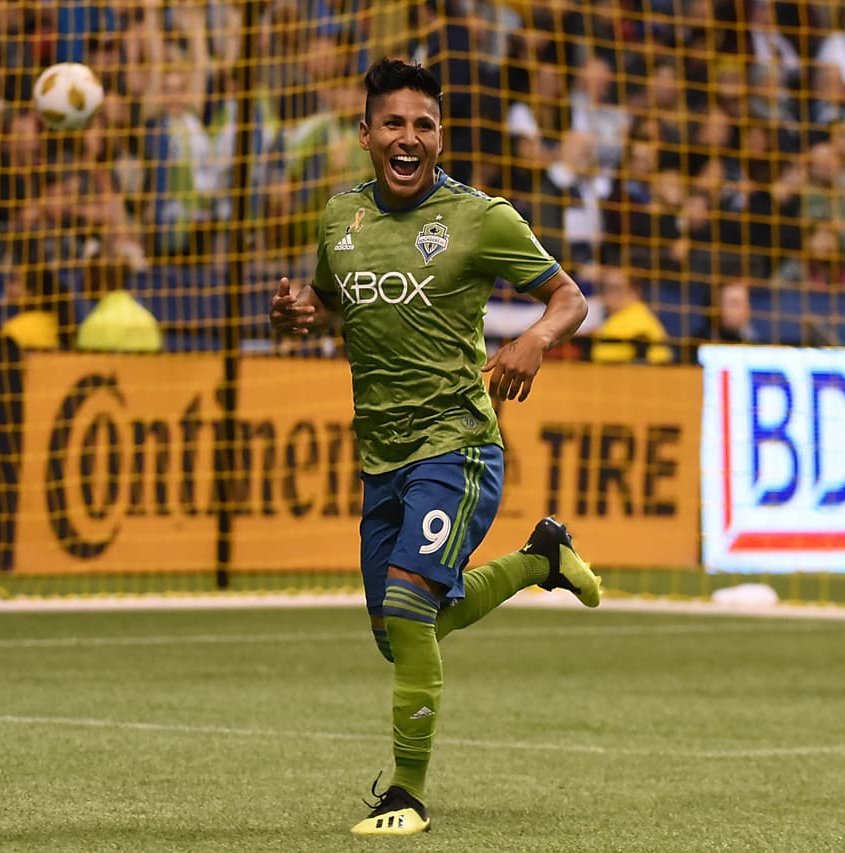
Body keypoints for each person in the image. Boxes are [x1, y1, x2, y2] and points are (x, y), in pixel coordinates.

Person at [269, 59, 601, 837]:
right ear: (366, 135)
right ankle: (541, 560)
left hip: (460, 442)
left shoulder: (481, 217)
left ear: (439, 135)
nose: (408, 137)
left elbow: (569, 298)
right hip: (380, 452)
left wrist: (535, 342)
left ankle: (406, 794)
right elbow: (326, 298)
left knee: (411, 603)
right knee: (396, 632)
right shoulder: (339, 217)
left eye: (423, 124)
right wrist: (300, 311)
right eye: (393, 124)